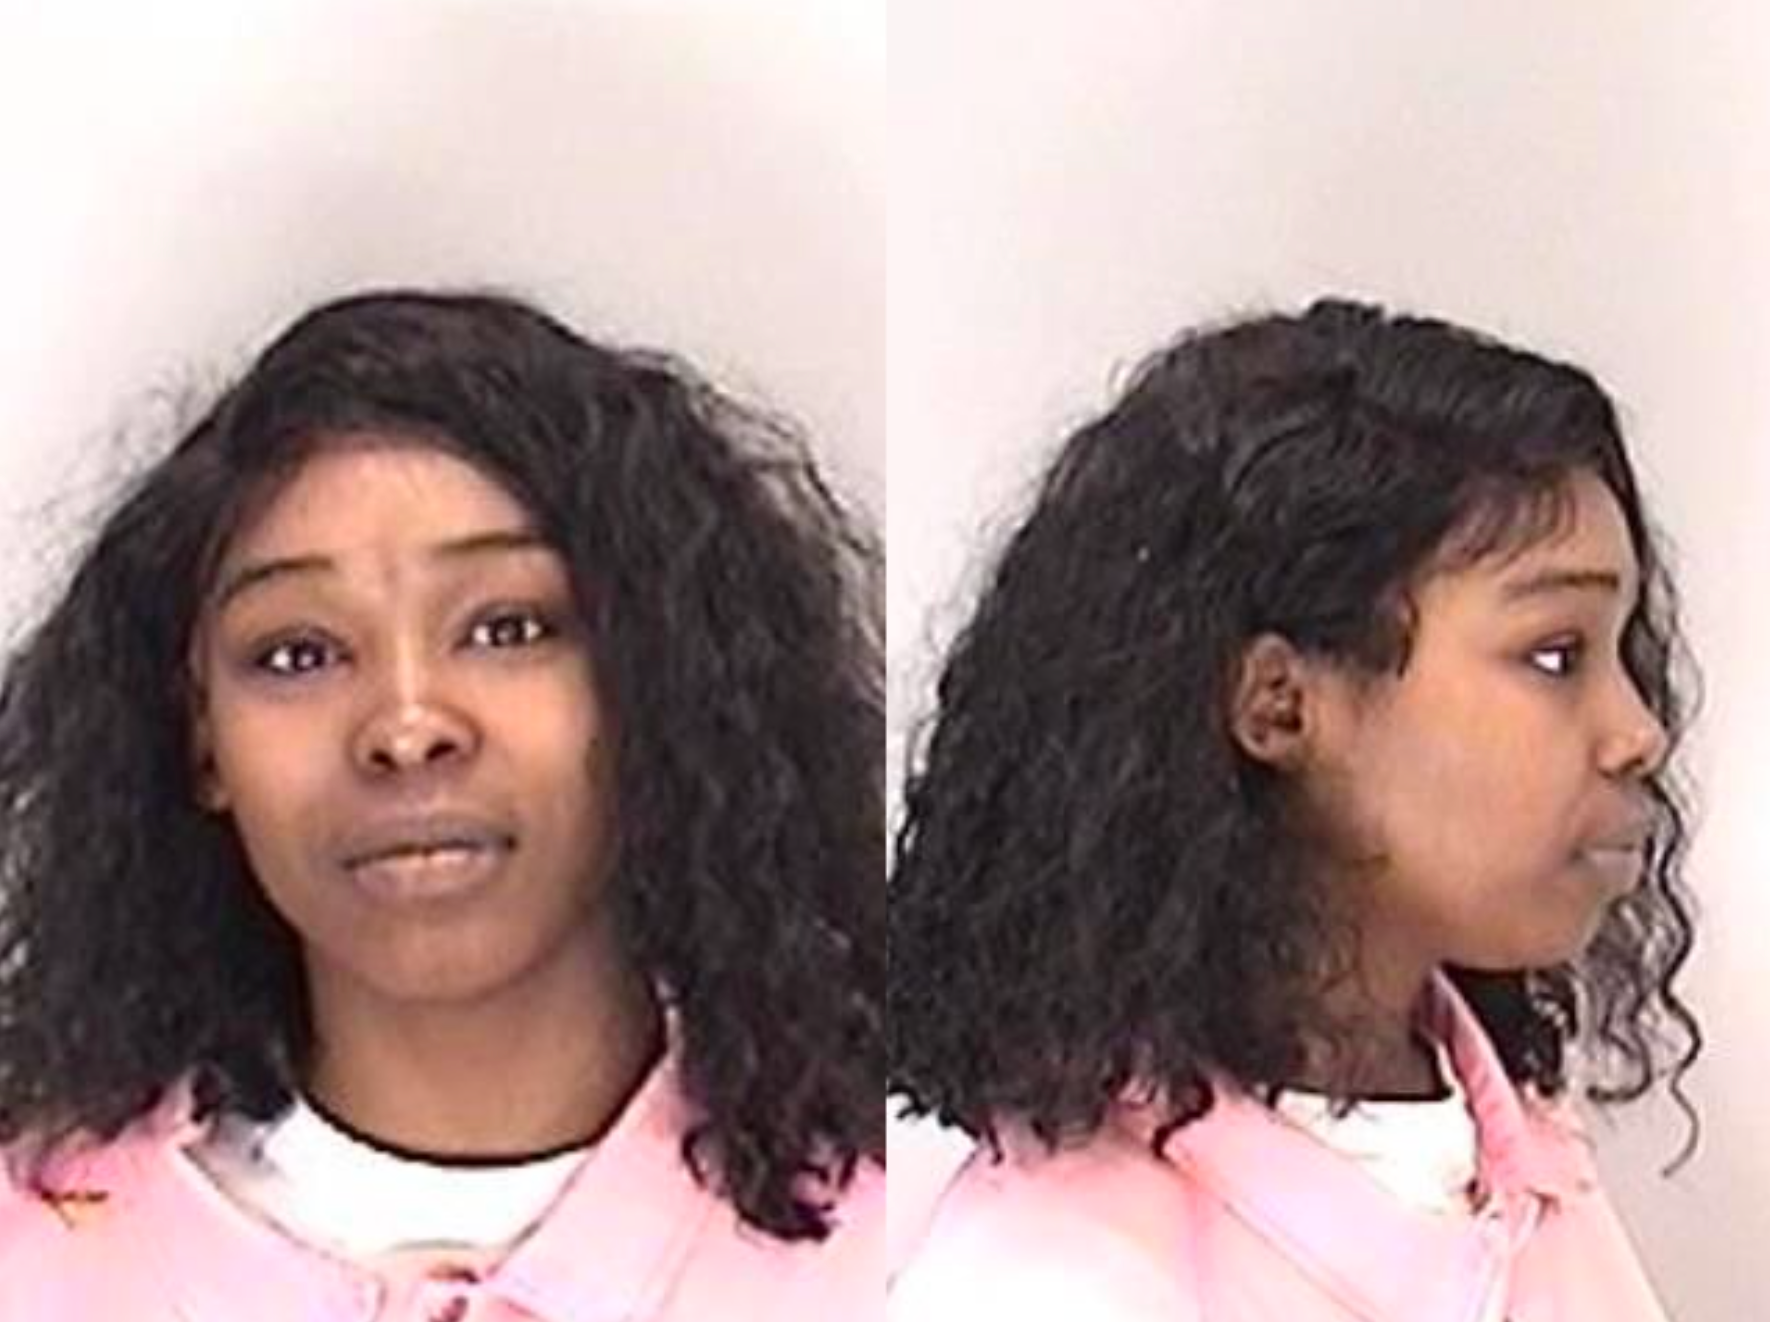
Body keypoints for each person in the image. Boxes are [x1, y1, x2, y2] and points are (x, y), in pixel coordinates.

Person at [0, 289, 883, 1320]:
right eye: (298, 652)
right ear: (202, 737)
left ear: (661, 681)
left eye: (508, 628)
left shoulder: (884, 1247)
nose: (406, 725)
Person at [888, 299, 1698, 1320]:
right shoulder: (1052, 1278)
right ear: (1279, 704)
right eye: (1554, 655)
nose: (1638, 733)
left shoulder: (1529, 1164)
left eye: (1622, 653)